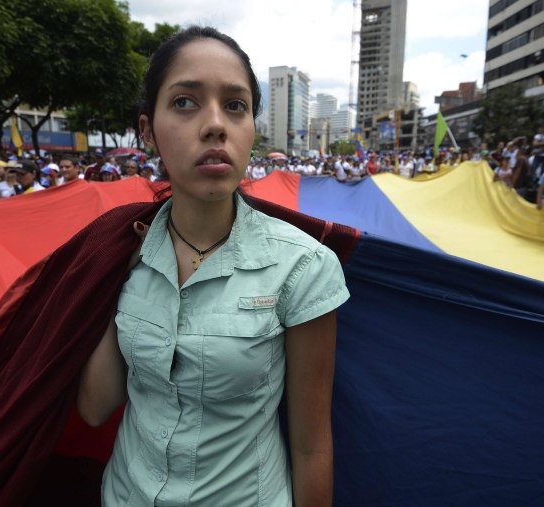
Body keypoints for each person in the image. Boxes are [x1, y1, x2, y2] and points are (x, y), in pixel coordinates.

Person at [76, 26, 349, 506]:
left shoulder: (304, 267)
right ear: (147, 130)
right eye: (185, 102)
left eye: (235, 105)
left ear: (251, 131)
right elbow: (96, 407)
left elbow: (311, 446)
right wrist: (111, 278)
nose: (215, 124)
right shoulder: (119, 250)